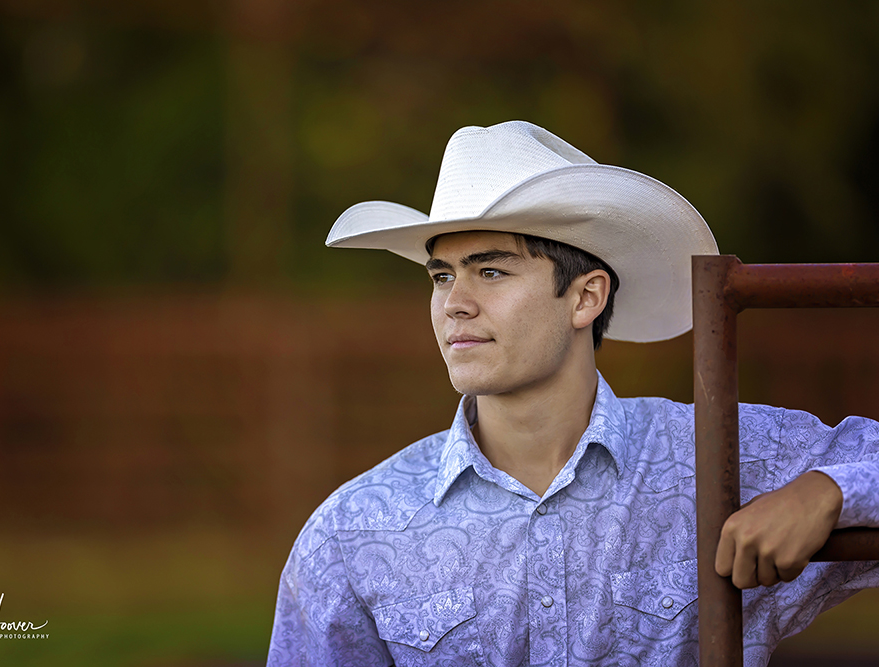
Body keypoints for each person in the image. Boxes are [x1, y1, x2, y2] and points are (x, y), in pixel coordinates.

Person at [266, 121, 879, 666]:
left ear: (586, 297)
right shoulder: (354, 532)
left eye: (492, 270)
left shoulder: (717, 456)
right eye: (443, 276)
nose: (456, 302)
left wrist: (827, 490)